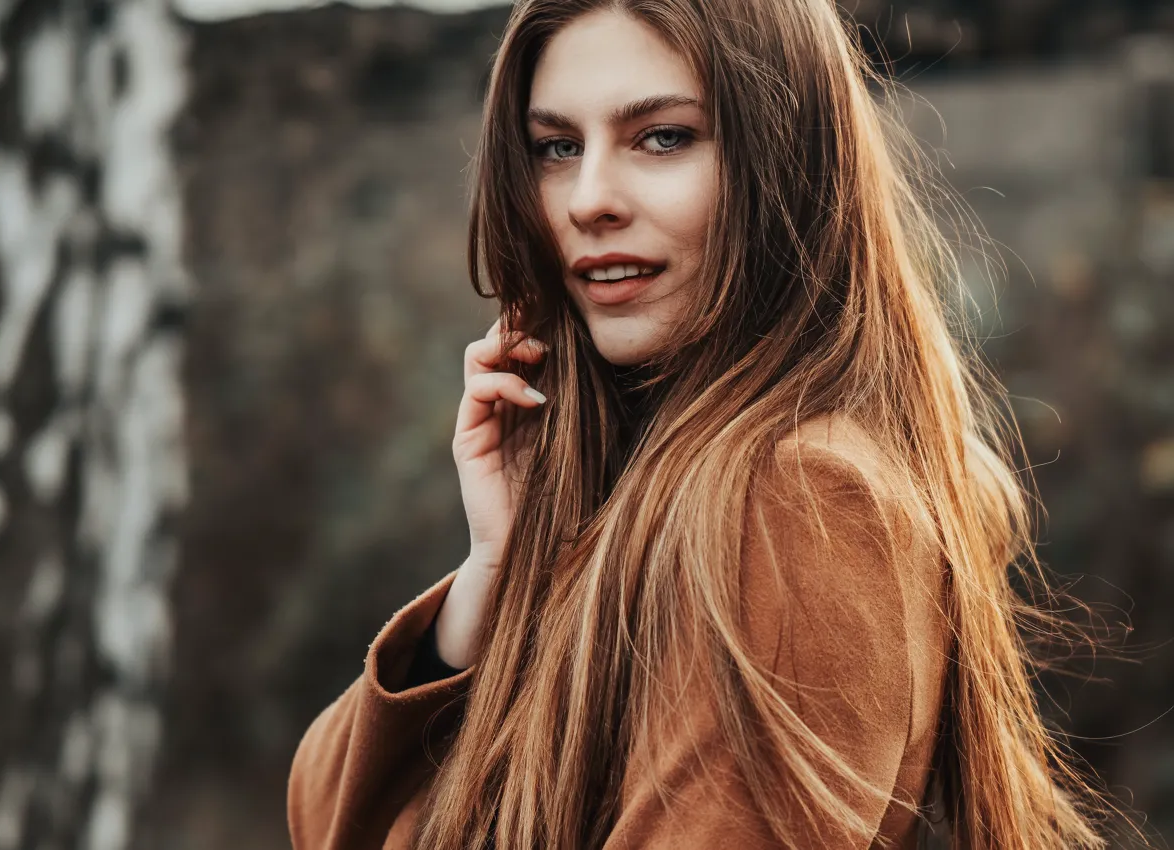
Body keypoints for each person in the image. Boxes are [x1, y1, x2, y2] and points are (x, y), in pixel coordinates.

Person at [287, 0, 1136, 847]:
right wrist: (496, 572)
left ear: (786, 163)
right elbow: (327, 814)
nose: (589, 200)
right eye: (557, 147)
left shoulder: (806, 500)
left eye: (663, 137)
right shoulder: (640, 485)